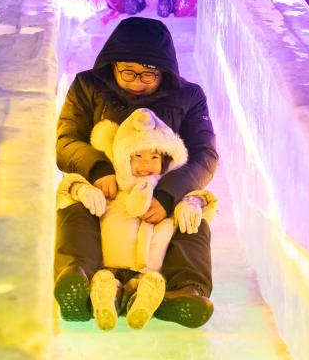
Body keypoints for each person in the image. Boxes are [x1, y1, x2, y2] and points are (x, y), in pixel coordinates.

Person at [55, 17, 220, 328]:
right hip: (107, 190)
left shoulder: (188, 96)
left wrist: (169, 196)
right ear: (113, 65)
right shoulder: (88, 86)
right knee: (77, 208)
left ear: (164, 71)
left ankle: (186, 290)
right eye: (128, 72)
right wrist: (98, 169)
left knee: (192, 220)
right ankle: (78, 280)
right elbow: (66, 141)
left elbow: (205, 155)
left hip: (160, 188)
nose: (137, 81)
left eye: (148, 74)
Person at [56, 108, 217, 331]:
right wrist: (80, 189)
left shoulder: (171, 195)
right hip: (108, 268)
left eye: (154, 157)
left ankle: (184, 291)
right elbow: (65, 195)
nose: (145, 164)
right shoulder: (111, 189)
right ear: (122, 158)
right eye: (137, 156)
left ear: (166, 160)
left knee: (193, 223)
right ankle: (83, 286)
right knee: (78, 215)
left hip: (153, 274)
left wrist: (193, 202)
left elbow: (207, 207)